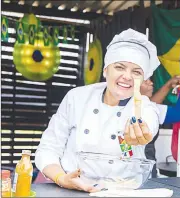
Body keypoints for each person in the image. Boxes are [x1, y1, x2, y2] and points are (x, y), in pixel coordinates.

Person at [35, 28, 162, 192]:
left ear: (143, 79)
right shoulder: (77, 98)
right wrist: (62, 179)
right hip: (71, 189)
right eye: (120, 67)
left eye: (136, 72)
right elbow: (48, 147)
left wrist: (142, 135)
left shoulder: (144, 107)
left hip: (123, 192)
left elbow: (149, 123)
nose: (127, 76)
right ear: (105, 70)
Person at [141, 73, 180, 177]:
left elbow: (151, 104)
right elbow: (179, 113)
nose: (151, 83)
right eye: (145, 81)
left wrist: (168, 85)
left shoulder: (133, 106)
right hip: (144, 171)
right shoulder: (145, 110)